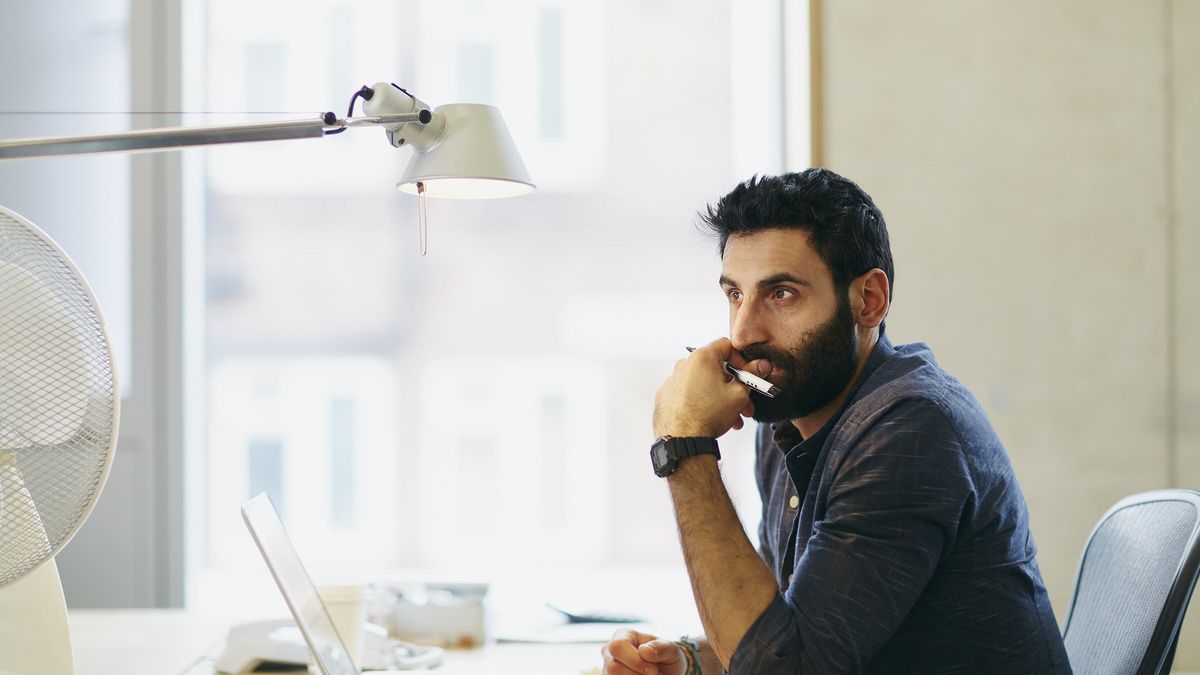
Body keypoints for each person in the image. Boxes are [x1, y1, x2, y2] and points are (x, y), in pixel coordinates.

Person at [602, 169, 1072, 674]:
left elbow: (784, 669)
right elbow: (788, 626)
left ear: (868, 300)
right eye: (735, 294)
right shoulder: (787, 419)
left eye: (781, 294)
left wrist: (685, 447)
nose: (743, 331)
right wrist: (692, 658)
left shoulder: (911, 428)